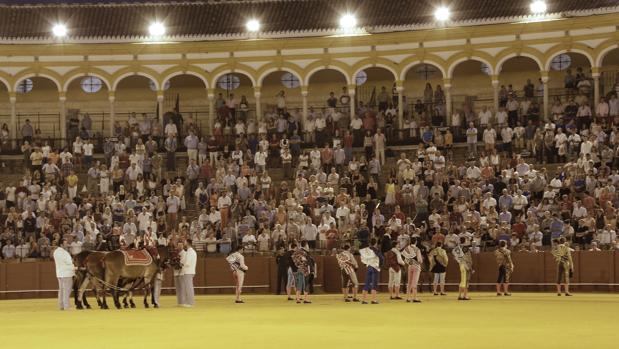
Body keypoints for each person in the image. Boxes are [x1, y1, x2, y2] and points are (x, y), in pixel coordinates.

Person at [53, 238, 75, 310]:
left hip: (59, 273)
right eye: (65, 243)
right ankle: (66, 306)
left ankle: (61, 305)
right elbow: (69, 263)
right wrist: (76, 268)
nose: (66, 245)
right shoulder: (65, 253)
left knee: (61, 290)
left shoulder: (55, 252)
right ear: (61, 244)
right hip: (67, 273)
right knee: (67, 290)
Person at [360, 238, 383, 304]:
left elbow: (363, 259)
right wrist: (380, 265)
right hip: (375, 267)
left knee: (367, 283)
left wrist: (366, 264)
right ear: (375, 243)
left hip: (369, 267)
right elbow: (381, 258)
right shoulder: (375, 250)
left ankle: (364, 300)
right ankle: (374, 300)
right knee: (374, 283)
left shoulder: (366, 250)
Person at [401, 237, 423, 303]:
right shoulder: (417, 249)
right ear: (416, 242)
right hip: (416, 266)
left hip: (410, 266)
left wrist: (409, 262)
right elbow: (419, 260)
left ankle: (408, 298)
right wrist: (420, 261)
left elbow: (404, 259)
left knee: (409, 282)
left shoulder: (406, 248)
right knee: (414, 283)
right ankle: (414, 298)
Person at [180, 239, 197, 307]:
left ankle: (191, 302)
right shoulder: (188, 251)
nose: (184, 243)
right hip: (187, 271)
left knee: (189, 287)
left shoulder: (191, 252)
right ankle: (188, 302)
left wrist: (182, 264)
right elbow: (184, 261)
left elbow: (187, 262)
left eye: (185, 242)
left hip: (188, 271)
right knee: (187, 287)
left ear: (188, 243)